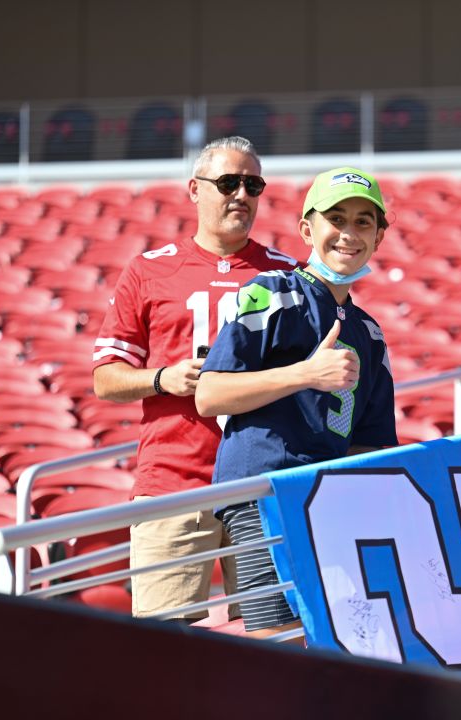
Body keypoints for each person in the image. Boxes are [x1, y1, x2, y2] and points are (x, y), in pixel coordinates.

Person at [92, 136, 298, 623]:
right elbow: (106, 378)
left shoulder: (290, 274)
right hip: (173, 481)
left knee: (276, 638)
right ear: (194, 190)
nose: (242, 195)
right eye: (228, 183)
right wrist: (164, 378)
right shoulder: (148, 270)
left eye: (253, 185)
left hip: (261, 481)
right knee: (162, 652)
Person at [196, 166, 397, 637]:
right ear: (307, 228)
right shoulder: (272, 292)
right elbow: (209, 394)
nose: (349, 233)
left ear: (379, 236)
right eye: (337, 218)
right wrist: (306, 374)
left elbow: (371, 445)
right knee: (277, 640)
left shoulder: (369, 332)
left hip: (330, 500)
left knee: (332, 642)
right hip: (266, 493)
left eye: (363, 222)